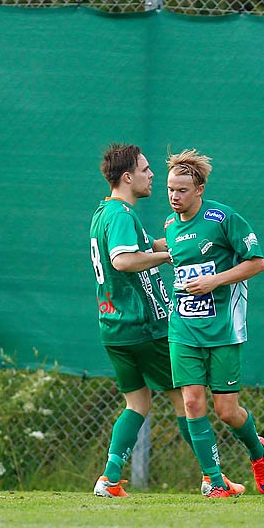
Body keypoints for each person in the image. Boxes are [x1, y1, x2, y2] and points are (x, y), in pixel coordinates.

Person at [162, 149, 264, 498]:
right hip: (183, 328)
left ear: (199, 189)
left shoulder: (222, 218)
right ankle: (215, 481)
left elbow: (257, 263)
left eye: (181, 190)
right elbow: (175, 251)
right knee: (193, 403)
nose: (174, 197)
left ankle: (258, 451)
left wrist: (215, 280)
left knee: (227, 411)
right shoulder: (171, 226)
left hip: (223, 329)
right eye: (169, 189)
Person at [88, 143, 183, 498]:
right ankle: (213, 479)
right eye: (145, 169)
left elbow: (140, 247)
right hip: (142, 325)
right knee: (185, 397)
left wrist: (176, 239)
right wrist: (168, 256)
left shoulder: (105, 213)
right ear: (127, 177)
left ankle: (109, 478)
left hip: (113, 327)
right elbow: (124, 260)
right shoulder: (121, 215)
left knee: (138, 403)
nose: (152, 174)